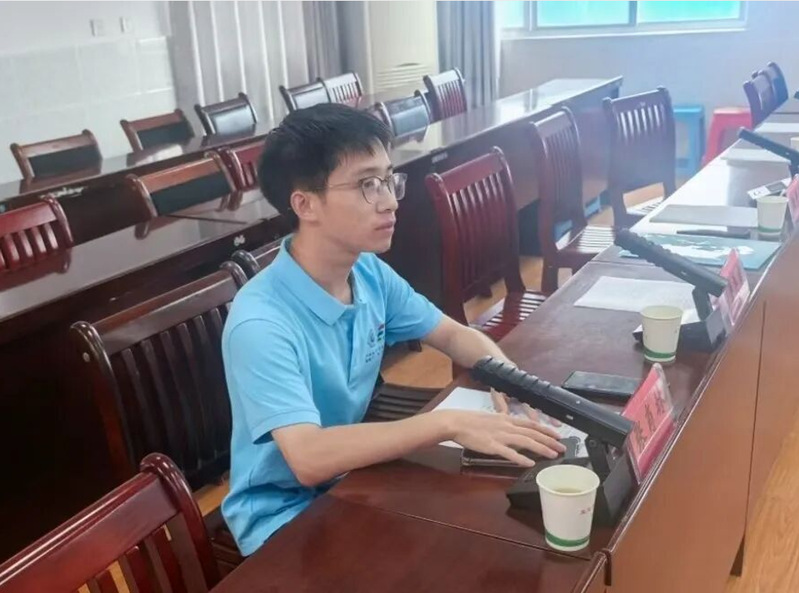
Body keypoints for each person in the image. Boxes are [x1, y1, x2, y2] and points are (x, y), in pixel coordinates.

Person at [221, 103, 565, 555]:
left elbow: (452, 335)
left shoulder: (367, 271)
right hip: (284, 516)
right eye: (367, 185)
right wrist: (445, 423)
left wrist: (509, 380)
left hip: (354, 480)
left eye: (388, 179)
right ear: (305, 204)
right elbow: (308, 457)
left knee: (490, 529)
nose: (389, 201)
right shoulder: (261, 322)